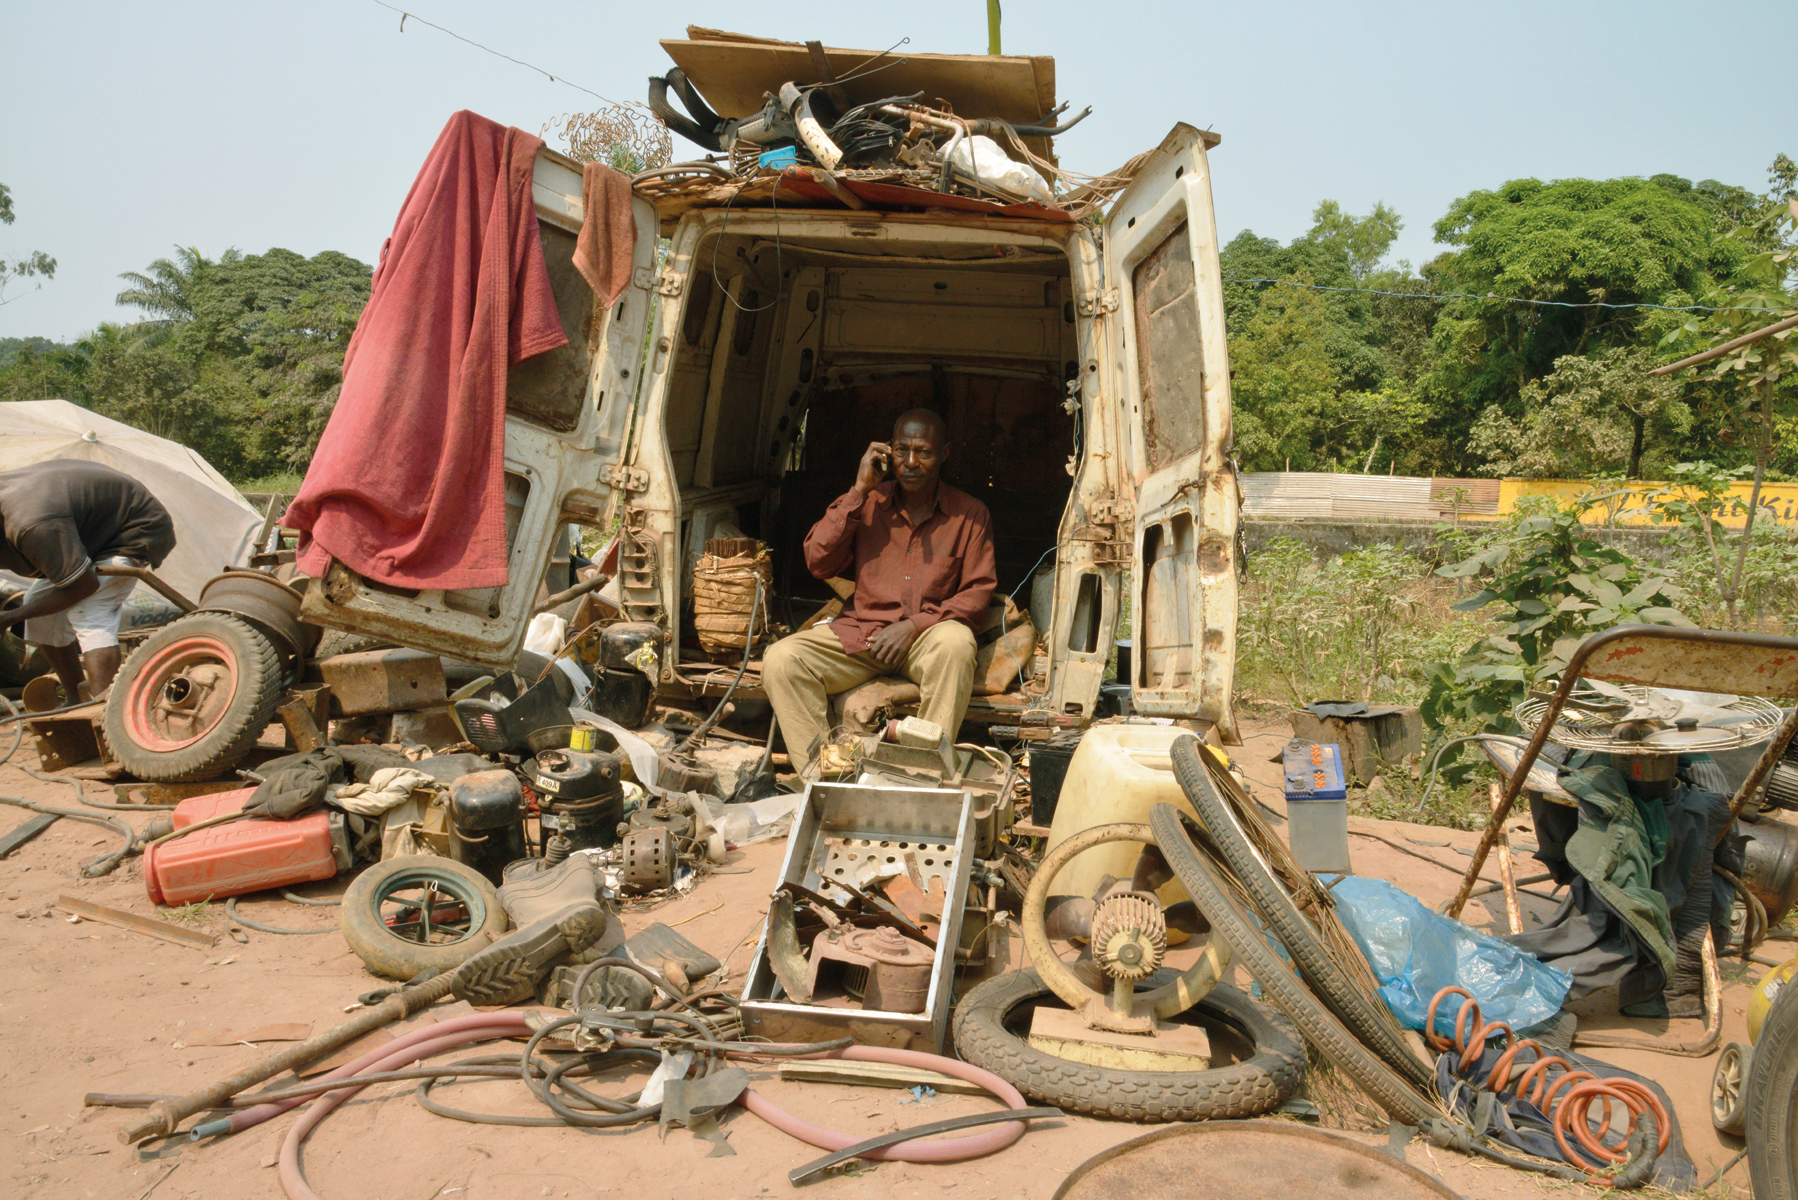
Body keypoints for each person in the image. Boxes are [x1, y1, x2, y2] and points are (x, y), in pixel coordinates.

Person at [763, 408, 997, 769]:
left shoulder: (970, 513)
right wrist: (858, 489)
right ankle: (825, 775)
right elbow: (818, 561)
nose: (911, 462)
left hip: (925, 640)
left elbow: (978, 595)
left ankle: (918, 771)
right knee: (781, 660)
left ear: (945, 454)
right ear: (887, 451)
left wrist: (913, 626)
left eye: (924, 452)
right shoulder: (868, 502)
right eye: (902, 450)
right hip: (863, 636)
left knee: (957, 644)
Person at [0, 460, 177, 701]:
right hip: (87, 533)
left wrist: (9, 617)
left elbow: (84, 586)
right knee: (37, 605)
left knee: (89, 611)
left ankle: (105, 710)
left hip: (132, 529)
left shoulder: (32, 524)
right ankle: (75, 698)